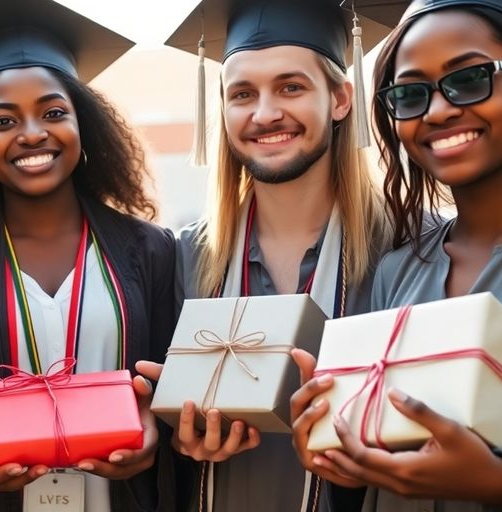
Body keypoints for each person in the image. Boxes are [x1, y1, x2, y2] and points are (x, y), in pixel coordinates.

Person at [0, 0, 177, 509]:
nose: (31, 133)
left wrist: (156, 428)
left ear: (83, 126)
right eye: (3, 121)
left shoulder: (148, 249)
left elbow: (173, 387)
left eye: (52, 113)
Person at [143, 0, 408, 510]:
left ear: (340, 98)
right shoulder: (186, 256)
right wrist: (181, 441)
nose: (264, 114)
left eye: (291, 86)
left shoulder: (409, 248)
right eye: (242, 93)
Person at [289, 0, 502, 510]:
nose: (438, 110)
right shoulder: (399, 269)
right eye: (410, 94)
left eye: (471, 78)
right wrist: (337, 451)